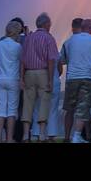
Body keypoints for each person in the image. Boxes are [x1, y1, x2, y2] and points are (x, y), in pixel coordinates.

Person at [20, 13, 59, 141]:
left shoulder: (29, 38)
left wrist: (21, 78)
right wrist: (50, 79)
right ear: (46, 24)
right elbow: (51, 60)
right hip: (43, 72)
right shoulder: (49, 38)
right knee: (44, 102)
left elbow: (22, 60)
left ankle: (26, 133)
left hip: (29, 73)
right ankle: (42, 133)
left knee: (28, 103)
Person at [61, 18, 91, 143]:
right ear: (89, 28)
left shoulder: (69, 41)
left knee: (69, 109)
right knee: (83, 108)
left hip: (72, 78)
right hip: (88, 78)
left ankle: (67, 136)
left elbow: (62, 60)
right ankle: (77, 136)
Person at [0, 21, 23, 143]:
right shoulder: (18, 46)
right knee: (12, 110)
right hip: (13, 79)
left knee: (0, 109)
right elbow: (21, 62)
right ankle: (9, 138)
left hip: (1, 78)